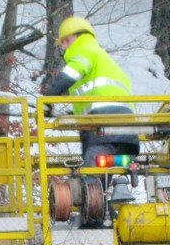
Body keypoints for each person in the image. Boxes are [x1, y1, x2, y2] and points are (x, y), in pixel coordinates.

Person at [40, 17, 140, 166]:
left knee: (92, 177)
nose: (64, 48)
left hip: (104, 128)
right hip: (127, 135)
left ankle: (89, 188)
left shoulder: (84, 50)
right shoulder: (102, 59)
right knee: (109, 172)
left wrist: (47, 100)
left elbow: (70, 74)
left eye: (64, 42)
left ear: (72, 37)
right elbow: (99, 96)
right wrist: (74, 115)